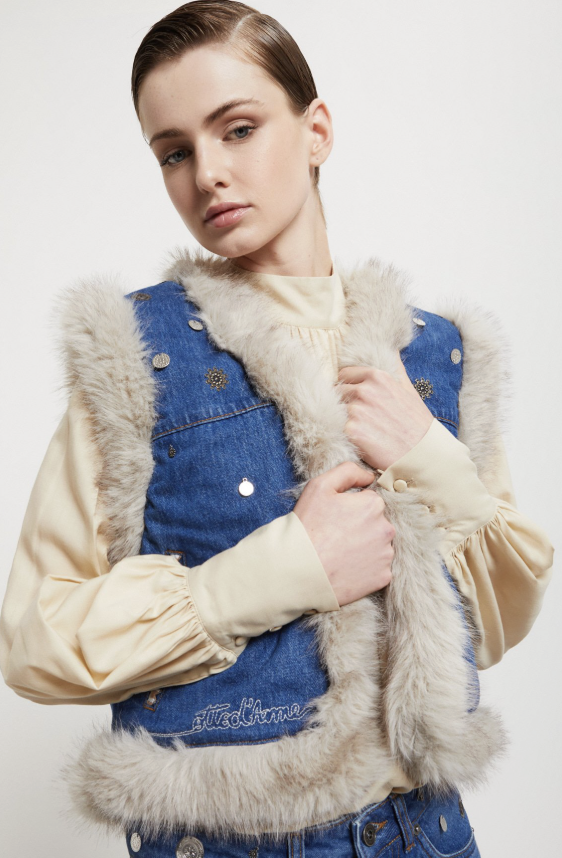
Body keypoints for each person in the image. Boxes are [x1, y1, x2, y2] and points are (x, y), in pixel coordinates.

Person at [0, 2, 554, 856]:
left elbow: (499, 621)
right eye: (174, 152)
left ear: (316, 129)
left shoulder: (437, 355)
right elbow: (34, 638)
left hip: (429, 831)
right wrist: (279, 571)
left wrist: (429, 457)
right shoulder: (136, 355)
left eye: (239, 129)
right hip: (235, 838)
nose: (208, 175)